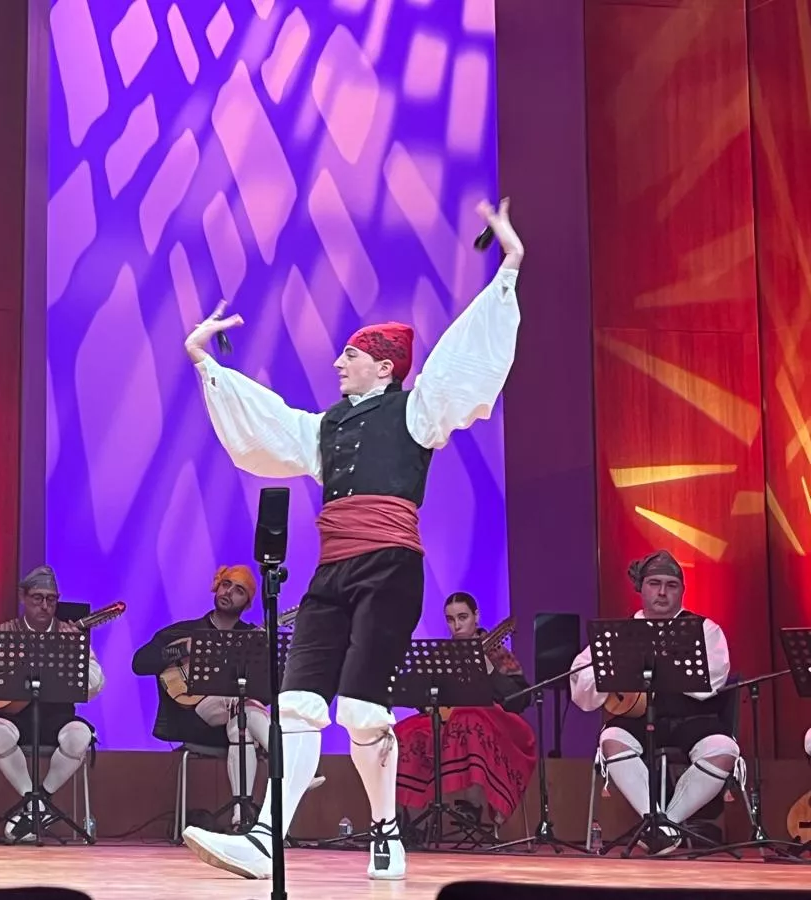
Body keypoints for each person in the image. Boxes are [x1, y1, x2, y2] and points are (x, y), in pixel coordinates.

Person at [178, 199, 524, 881]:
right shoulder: (325, 428)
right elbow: (267, 422)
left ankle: (386, 828)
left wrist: (509, 265)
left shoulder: (418, 411)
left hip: (391, 569)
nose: (338, 362)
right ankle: (266, 836)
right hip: (331, 575)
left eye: (352, 354)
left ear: (386, 367)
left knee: (364, 710)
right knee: (300, 703)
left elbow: (463, 355)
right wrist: (202, 359)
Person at [569, 550, 736, 855]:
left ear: (682, 591)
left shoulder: (704, 629)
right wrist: (613, 674)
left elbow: (715, 677)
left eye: (671, 585)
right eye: (654, 583)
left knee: (724, 750)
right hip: (637, 719)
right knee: (611, 738)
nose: (662, 592)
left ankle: (664, 825)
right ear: (641, 588)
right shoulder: (618, 634)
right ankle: (657, 821)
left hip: (691, 719)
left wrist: (666, 665)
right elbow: (581, 681)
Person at [0, 566, 102, 841]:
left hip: (57, 717)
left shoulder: (71, 637)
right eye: (38, 598)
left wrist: (71, 654)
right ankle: (36, 805)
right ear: (23, 597)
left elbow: (95, 682)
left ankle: (37, 803)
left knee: (81, 736)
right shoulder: (3, 632)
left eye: (51, 600)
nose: (45, 606)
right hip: (14, 717)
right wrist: (6, 662)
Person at [132, 565, 271, 827]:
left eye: (239, 590)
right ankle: (287, 760)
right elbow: (140, 663)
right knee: (246, 713)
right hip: (191, 721)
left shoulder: (252, 638)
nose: (229, 592)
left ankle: (240, 818)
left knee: (240, 725)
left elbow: (268, 693)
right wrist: (183, 648)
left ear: (247, 602)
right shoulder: (181, 631)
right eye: (226, 584)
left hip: (233, 725)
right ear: (216, 586)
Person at [394, 592, 536, 836]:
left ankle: (473, 805)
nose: (456, 625)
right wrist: (426, 702)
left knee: (468, 720)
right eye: (450, 619)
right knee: (403, 733)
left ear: (476, 616)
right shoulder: (441, 655)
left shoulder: (498, 654)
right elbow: (417, 692)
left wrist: (490, 670)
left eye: (463, 617)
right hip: (446, 720)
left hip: (491, 723)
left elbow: (520, 700)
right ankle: (412, 820)